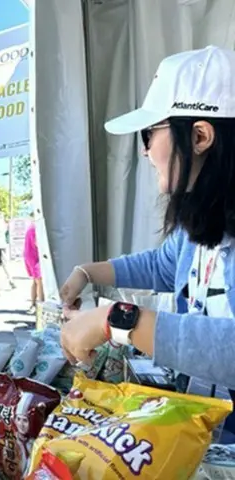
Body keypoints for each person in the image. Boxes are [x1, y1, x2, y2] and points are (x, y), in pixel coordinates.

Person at [59, 46, 235, 440]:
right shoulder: (206, 218)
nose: (144, 150)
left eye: (149, 133)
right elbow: (162, 266)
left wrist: (117, 321)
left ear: (200, 135)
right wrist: (88, 272)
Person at [0, 210, 16, 289]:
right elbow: (5, 230)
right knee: (5, 263)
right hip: (3, 243)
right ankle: (10, 280)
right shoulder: (2, 222)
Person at [24, 220, 43, 314]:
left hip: (30, 256)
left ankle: (33, 304)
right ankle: (41, 304)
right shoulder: (37, 227)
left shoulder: (32, 226)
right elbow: (38, 243)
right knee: (39, 281)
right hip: (35, 257)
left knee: (35, 281)